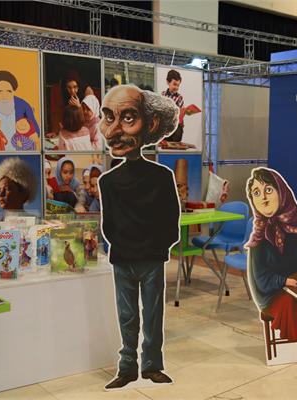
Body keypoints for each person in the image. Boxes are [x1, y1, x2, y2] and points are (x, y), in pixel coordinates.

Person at [99, 85, 180, 390]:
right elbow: (108, 224)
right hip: (124, 259)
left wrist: (156, 247)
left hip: (150, 259)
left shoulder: (162, 177)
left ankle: (152, 365)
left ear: (151, 124)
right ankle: (127, 367)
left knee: (154, 314)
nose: (114, 130)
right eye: (109, 117)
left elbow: (171, 219)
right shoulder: (108, 181)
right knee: (127, 315)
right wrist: (124, 245)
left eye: (128, 118)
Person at [245, 167, 297, 360]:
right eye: (256, 193)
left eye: (268, 190)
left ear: (281, 192)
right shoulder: (259, 239)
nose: (263, 198)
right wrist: (284, 281)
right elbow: (261, 280)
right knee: (291, 303)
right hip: (273, 294)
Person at [160, 69, 185, 142]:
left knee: (175, 141)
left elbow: (181, 112)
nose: (176, 87)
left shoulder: (179, 98)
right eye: (174, 84)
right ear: (168, 82)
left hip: (176, 127)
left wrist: (183, 112)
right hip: (165, 126)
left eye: (178, 85)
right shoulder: (163, 95)